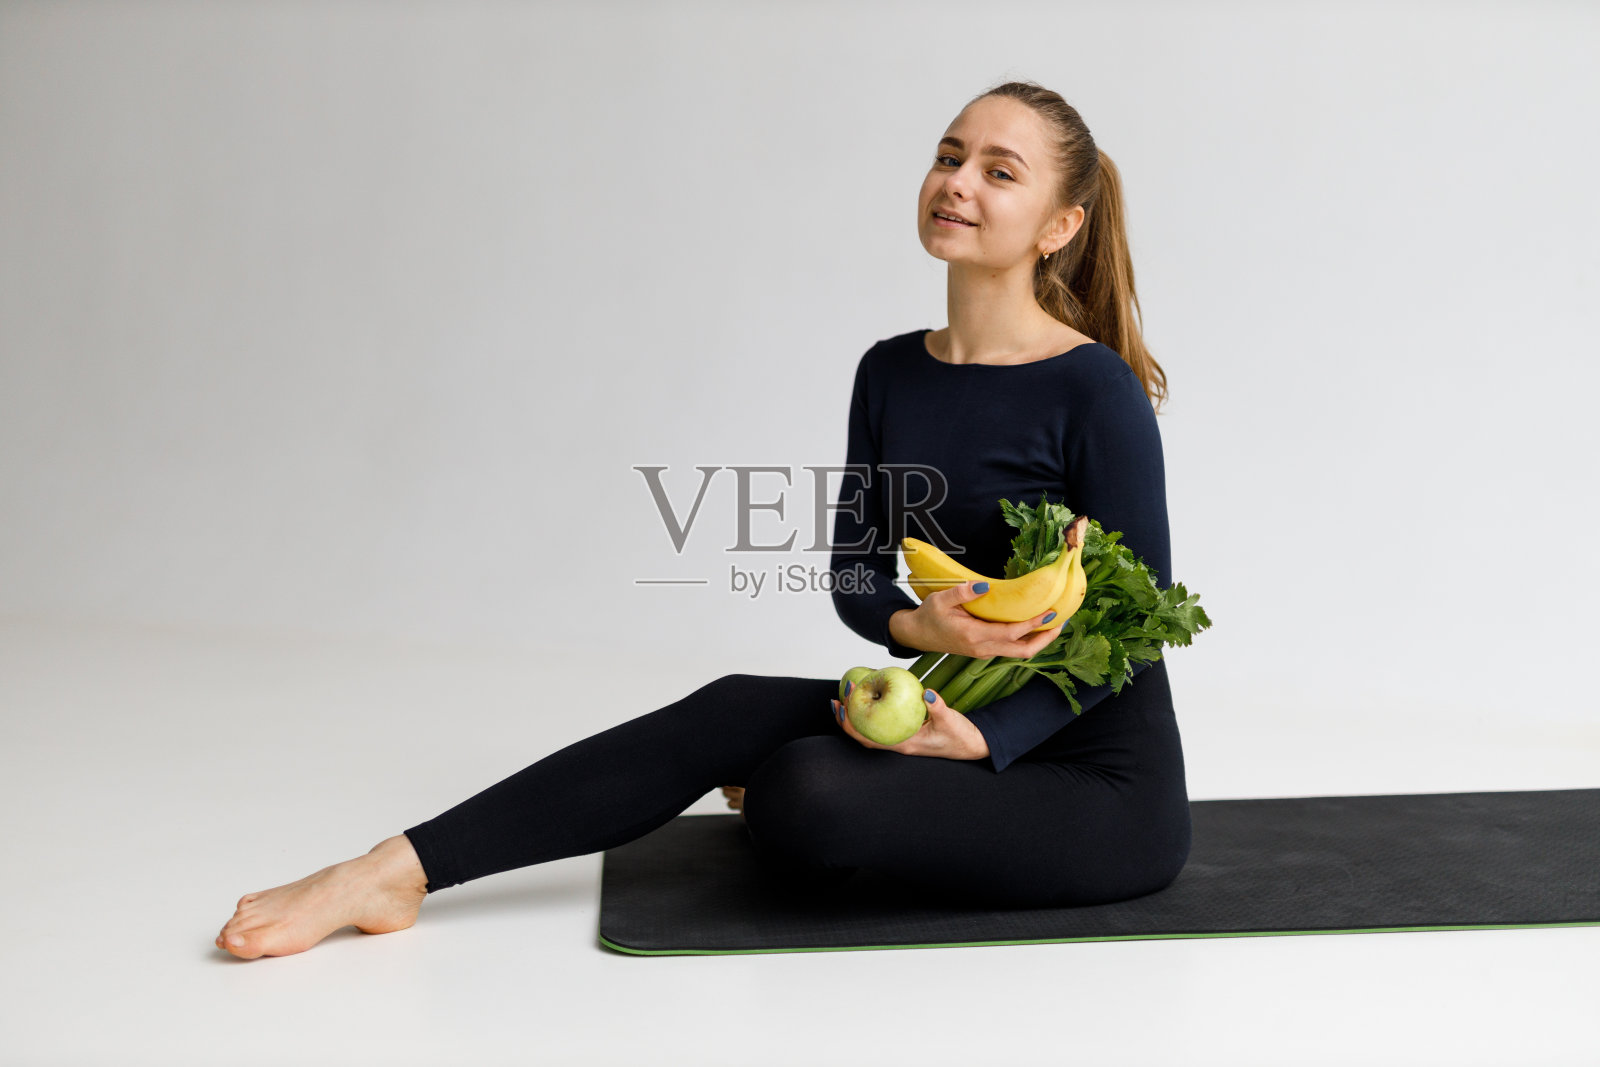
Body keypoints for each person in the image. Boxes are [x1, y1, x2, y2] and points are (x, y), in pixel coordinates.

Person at [215, 79, 1192, 960]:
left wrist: (984, 737)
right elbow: (855, 569)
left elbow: (1135, 625)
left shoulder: (1092, 388)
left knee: (803, 788)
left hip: (1094, 783)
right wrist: (915, 625)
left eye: (998, 171)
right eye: (948, 156)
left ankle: (819, 801)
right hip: (943, 716)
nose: (957, 182)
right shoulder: (892, 370)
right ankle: (390, 870)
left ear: (1059, 225)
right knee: (732, 708)